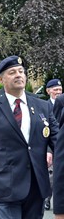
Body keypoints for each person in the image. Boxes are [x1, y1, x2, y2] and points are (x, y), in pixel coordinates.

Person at [0, 55, 59, 219]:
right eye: (12, 72)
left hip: (36, 184)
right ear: (1, 79)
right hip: (6, 184)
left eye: (21, 71)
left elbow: (58, 141)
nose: (18, 75)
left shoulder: (42, 106)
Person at [44, 78, 62, 210]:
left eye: (60, 89)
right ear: (48, 91)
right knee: (52, 176)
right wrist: (49, 150)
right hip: (52, 146)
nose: (58, 92)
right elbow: (50, 130)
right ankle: (47, 198)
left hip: (61, 144)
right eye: (55, 89)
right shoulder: (44, 106)